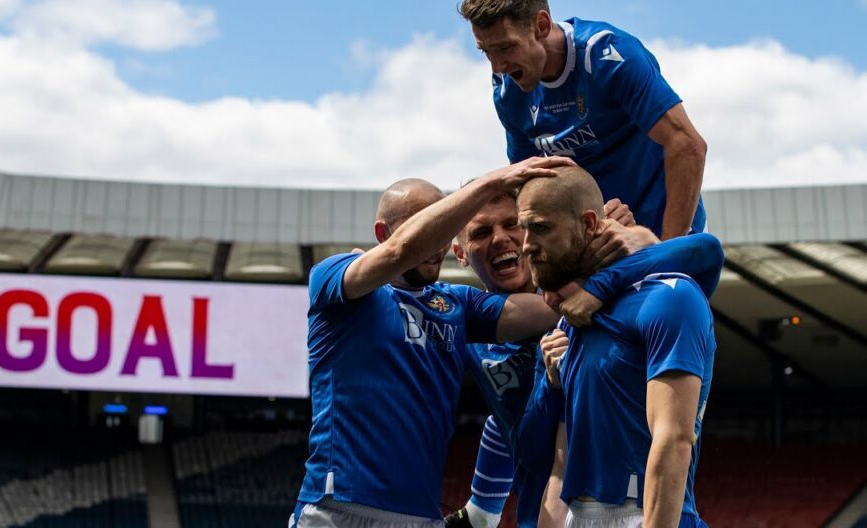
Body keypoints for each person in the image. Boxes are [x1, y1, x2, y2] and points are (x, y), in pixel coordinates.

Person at [290, 157, 572, 528]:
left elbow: (552, 307)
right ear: (382, 232)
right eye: (429, 224)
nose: (437, 238)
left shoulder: (459, 304)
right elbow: (399, 252)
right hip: (336, 509)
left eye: (446, 226)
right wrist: (489, 183)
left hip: (421, 518)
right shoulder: (334, 277)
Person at [444, 193, 723, 528]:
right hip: (547, 513)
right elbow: (514, 438)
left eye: (515, 225)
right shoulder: (471, 324)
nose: (503, 238)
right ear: (459, 253)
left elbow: (707, 250)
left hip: (637, 507)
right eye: (481, 232)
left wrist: (626, 256)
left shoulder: (596, 308)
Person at [519, 166, 717, 528]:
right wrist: (549, 383)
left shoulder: (668, 296)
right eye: (525, 228)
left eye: (541, 228)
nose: (526, 244)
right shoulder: (570, 325)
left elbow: (673, 440)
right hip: (580, 516)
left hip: (646, 514)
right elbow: (554, 463)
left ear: (591, 223)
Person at [459, 0, 708, 240]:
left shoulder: (608, 55)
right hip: (593, 240)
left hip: (664, 230)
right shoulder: (508, 91)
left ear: (541, 25)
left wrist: (667, 251)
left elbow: (687, 145)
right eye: (487, 51)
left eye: (506, 48)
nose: (497, 65)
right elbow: (527, 183)